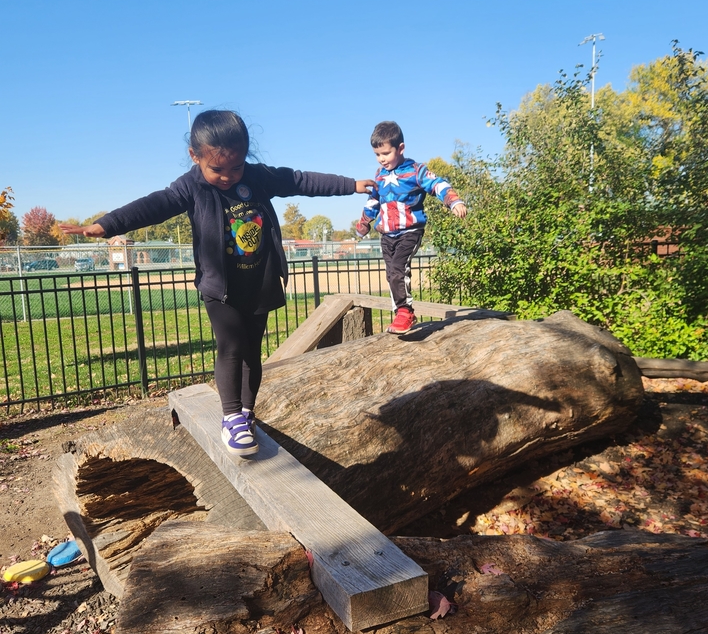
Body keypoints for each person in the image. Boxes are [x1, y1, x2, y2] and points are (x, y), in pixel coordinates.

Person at [59, 110, 373, 456]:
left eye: (235, 168)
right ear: (195, 156)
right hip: (220, 287)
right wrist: (107, 224)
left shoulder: (257, 177)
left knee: (253, 350)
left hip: (259, 281)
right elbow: (153, 205)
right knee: (232, 345)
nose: (227, 177)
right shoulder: (190, 186)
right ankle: (231, 416)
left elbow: (299, 180)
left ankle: (247, 413)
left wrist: (351, 185)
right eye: (217, 169)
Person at [355, 120, 467, 334]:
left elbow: (437, 184)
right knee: (391, 273)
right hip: (387, 234)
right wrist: (364, 222)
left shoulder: (416, 171)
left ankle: (406, 313)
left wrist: (453, 201)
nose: (381, 159)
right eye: (377, 154)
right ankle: (400, 313)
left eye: (386, 153)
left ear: (400, 148)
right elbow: (373, 200)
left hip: (409, 231)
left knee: (398, 267)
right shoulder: (379, 175)